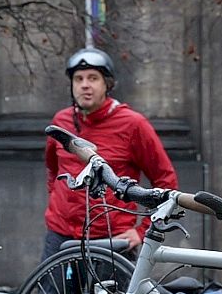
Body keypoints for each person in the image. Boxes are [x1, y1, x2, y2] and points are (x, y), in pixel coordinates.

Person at [43, 46, 177, 263]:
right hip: (60, 236)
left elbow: (166, 180)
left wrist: (142, 231)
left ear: (107, 84)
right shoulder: (60, 122)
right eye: (78, 79)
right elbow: (52, 168)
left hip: (112, 240)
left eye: (93, 78)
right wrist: (58, 202)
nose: (85, 85)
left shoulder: (133, 124)